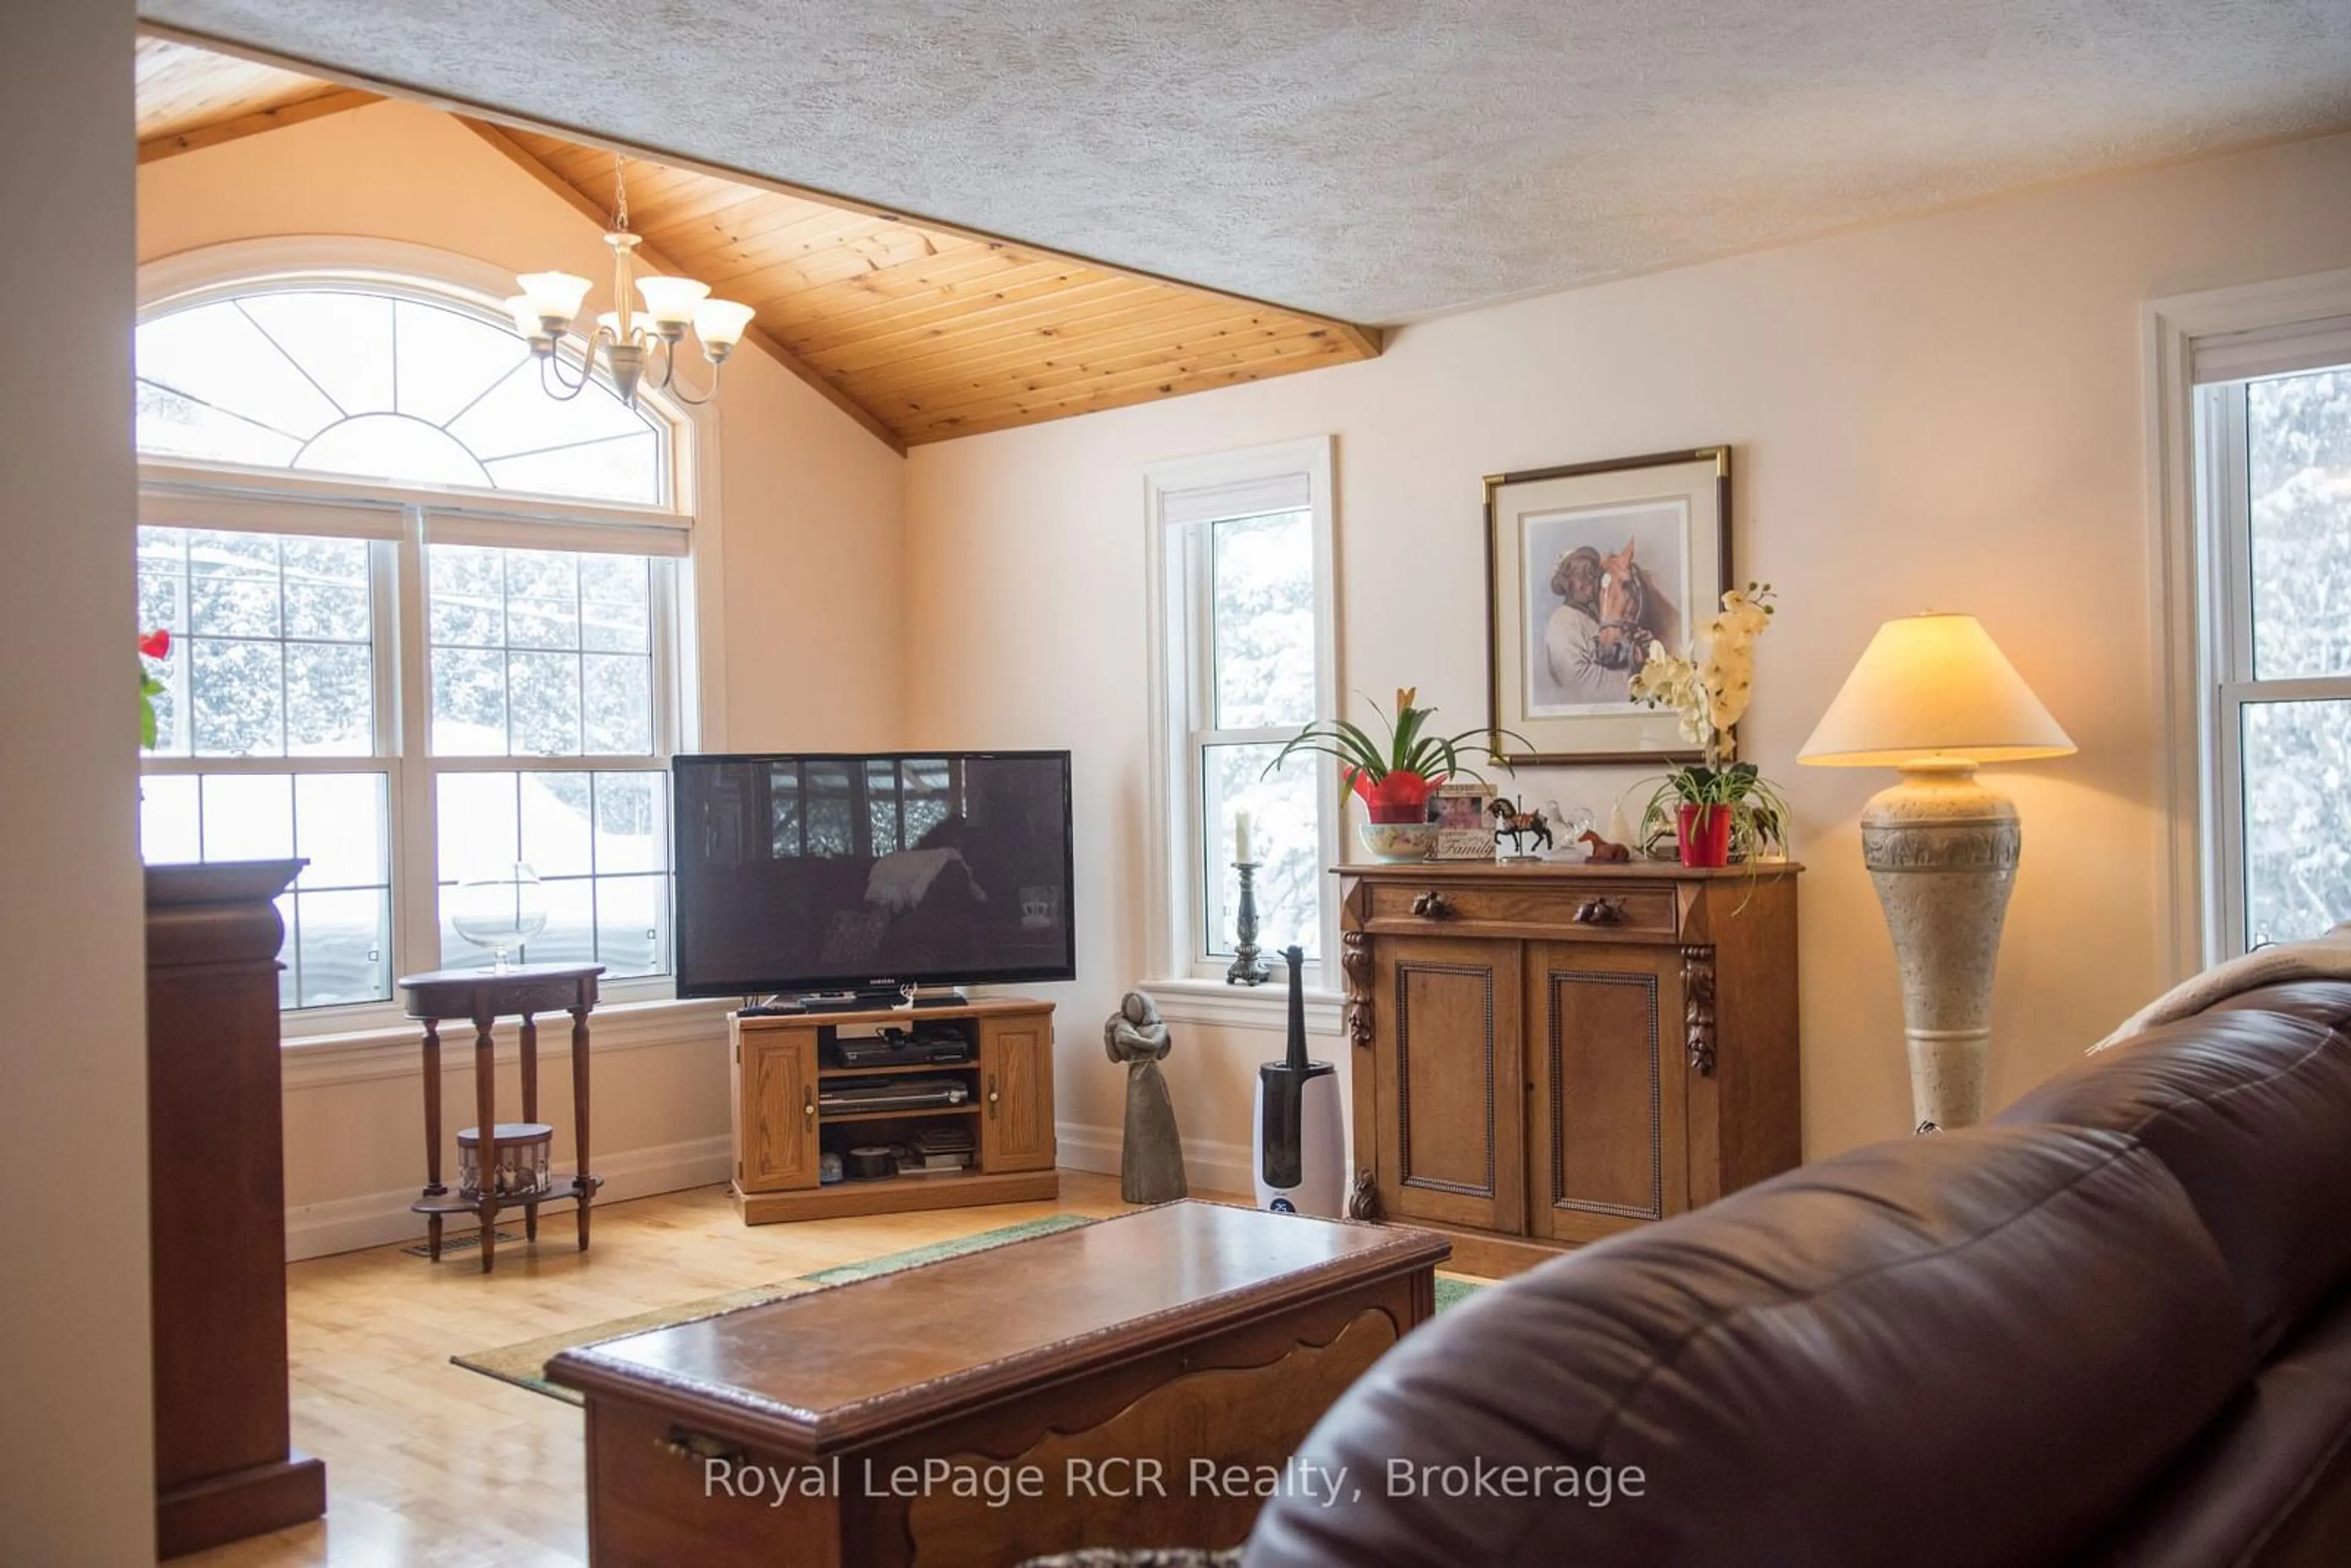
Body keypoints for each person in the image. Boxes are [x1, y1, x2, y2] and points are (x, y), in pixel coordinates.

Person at [1541, 545, 1627, 703]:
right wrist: (1633, 682)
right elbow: (1580, 683)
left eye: (1593, 575)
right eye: (1579, 575)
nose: (1588, 582)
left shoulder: (1599, 619)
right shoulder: (1563, 621)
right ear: (1566, 584)